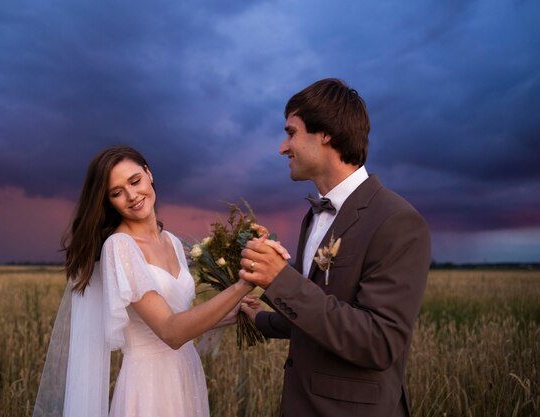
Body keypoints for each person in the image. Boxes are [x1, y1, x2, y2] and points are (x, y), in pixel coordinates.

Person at [239, 78, 431, 416]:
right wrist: (261, 318)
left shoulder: (397, 221)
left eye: (291, 132)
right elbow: (322, 312)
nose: (282, 148)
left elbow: (379, 342)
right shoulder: (313, 217)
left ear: (325, 133)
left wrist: (280, 279)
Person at [32, 146, 257, 417]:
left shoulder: (172, 242)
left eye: (135, 181)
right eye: (117, 193)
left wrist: (231, 312)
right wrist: (242, 284)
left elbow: (182, 319)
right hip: (150, 385)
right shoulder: (120, 247)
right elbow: (171, 332)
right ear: (108, 202)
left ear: (148, 173)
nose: (132, 196)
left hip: (185, 373)